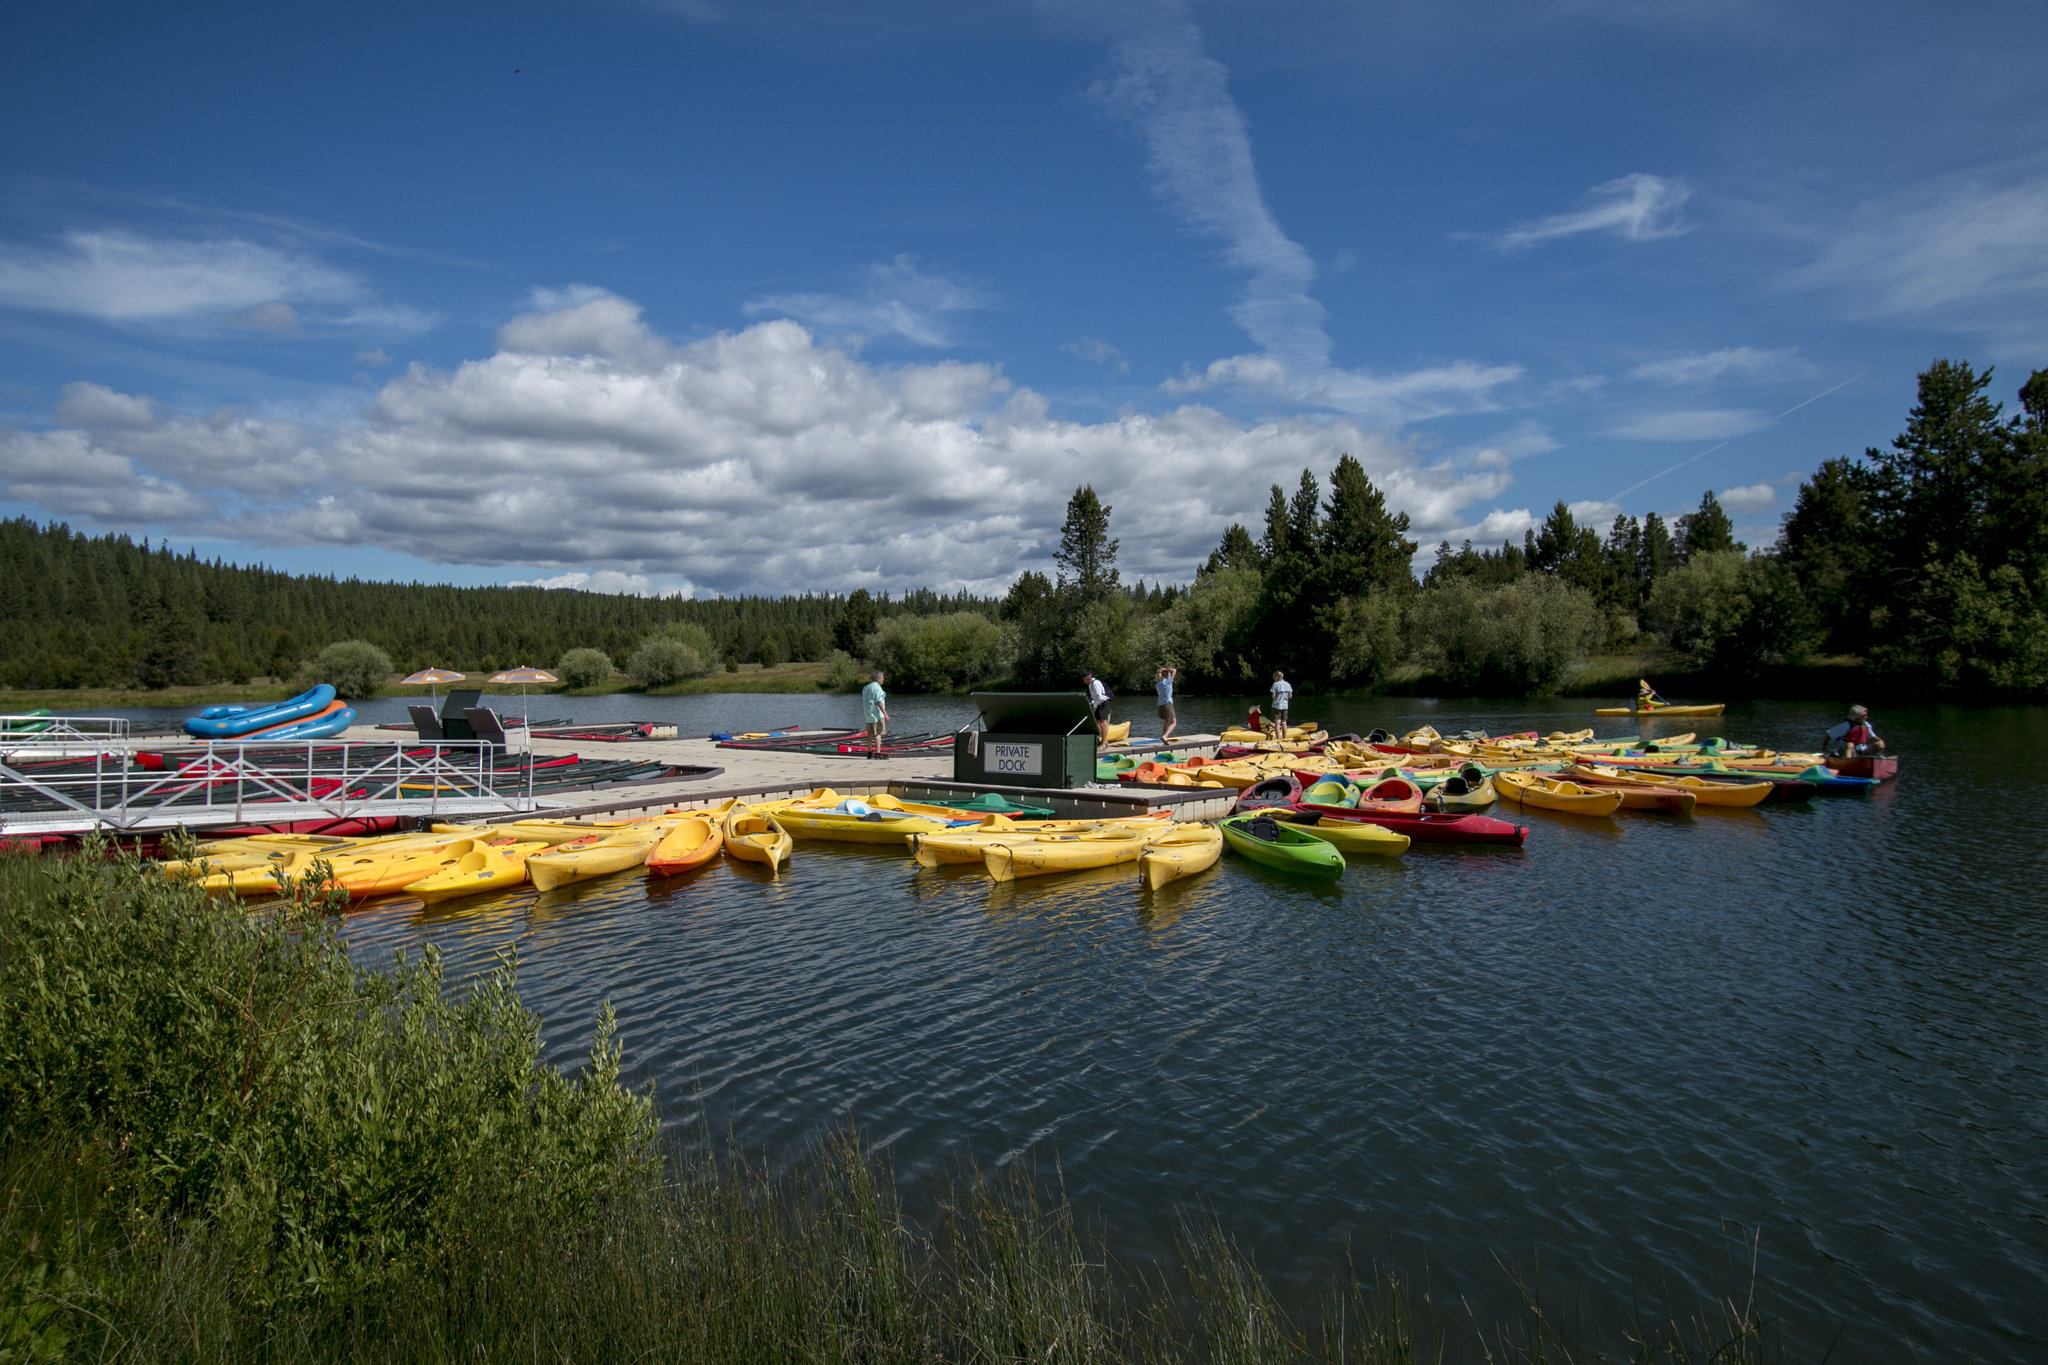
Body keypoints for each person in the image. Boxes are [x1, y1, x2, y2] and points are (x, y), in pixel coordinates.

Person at [860, 670, 889, 759]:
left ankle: (869, 753)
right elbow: (879, 702)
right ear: (879, 679)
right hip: (877, 715)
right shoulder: (877, 688)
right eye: (882, 678)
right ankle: (877, 753)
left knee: (869, 734)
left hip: (868, 715)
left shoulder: (866, 687)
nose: (883, 680)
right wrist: (885, 714)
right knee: (878, 734)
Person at [1082, 669, 1112, 751]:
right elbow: (1095, 697)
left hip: (1103, 702)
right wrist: (1093, 702)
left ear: (1088, 678)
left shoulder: (1095, 683)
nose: (1083, 681)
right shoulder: (1090, 684)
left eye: (1083, 679)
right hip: (1098, 703)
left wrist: (1093, 703)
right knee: (1097, 723)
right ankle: (1105, 741)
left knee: (1102, 723)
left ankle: (1103, 744)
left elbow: (1100, 697)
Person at [1154, 665, 1178, 742]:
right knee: (1174, 722)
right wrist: (1166, 669)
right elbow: (1174, 670)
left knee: (1165, 722)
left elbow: (1170, 673)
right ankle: (1165, 736)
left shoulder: (1158, 684)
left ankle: (1164, 740)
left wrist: (1163, 671)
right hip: (1167, 703)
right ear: (1167, 674)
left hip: (1160, 704)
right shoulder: (1168, 682)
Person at [1268, 671, 1293, 738]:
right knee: (1284, 722)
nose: (1274, 678)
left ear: (1277, 676)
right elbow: (1290, 696)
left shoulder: (1275, 684)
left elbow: (1273, 696)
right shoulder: (1288, 684)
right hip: (1285, 705)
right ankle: (1284, 738)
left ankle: (1278, 738)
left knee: (1277, 723)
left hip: (1277, 705)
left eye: (1274, 677)